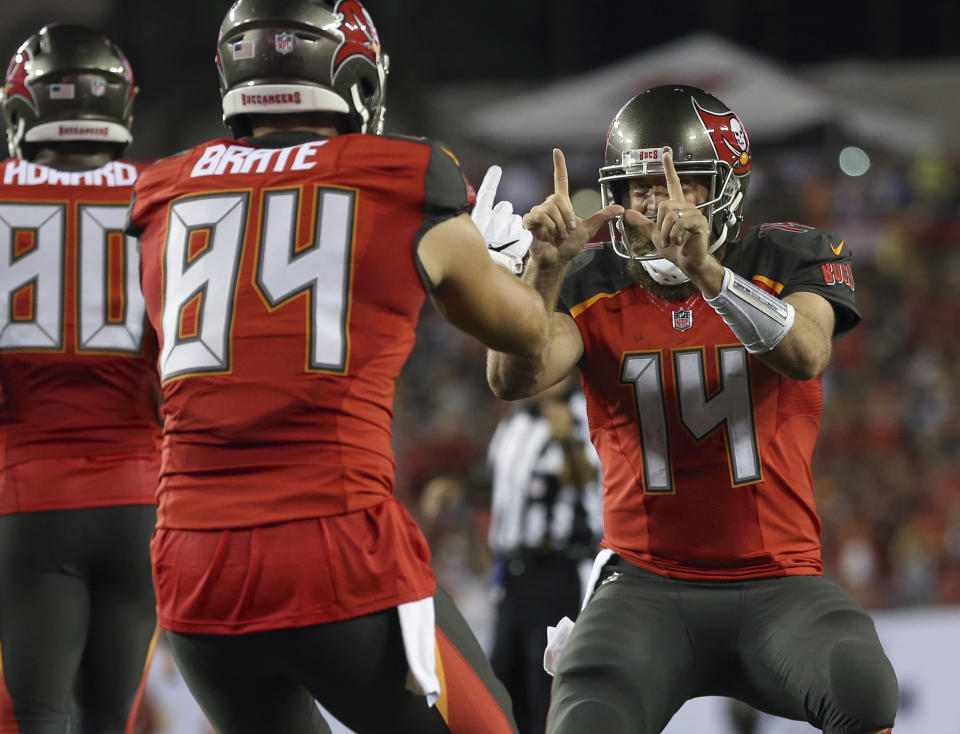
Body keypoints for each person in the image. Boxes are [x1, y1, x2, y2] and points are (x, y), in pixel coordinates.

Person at [125, 2, 621, 733]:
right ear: (355, 78)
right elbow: (522, 335)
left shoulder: (163, 190)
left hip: (192, 562)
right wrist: (532, 265)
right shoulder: (401, 176)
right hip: (334, 545)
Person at [487, 84, 899, 734]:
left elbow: (806, 352)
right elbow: (514, 379)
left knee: (863, 688)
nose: (656, 204)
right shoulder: (592, 278)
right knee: (584, 718)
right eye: (640, 187)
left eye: (679, 183)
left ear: (727, 187)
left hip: (779, 580)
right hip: (646, 583)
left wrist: (709, 272)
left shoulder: (787, 255)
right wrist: (541, 274)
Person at [0, 24, 159, 734]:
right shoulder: (168, 192)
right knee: (112, 719)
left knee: (34, 715)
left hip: (25, 496)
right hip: (143, 496)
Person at [486, 375, 602, 734]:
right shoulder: (515, 423)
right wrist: (456, 488)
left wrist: (567, 439)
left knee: (549, 689)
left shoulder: (584, 415)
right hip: (513, 575)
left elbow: (586, 479)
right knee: (502, 689)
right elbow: (500, 487)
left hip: (561, 571)